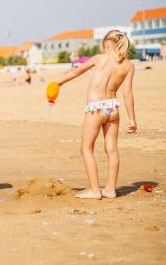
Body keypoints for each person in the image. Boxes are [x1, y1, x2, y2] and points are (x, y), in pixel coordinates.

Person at [55, 30, 136, 200]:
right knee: (112, 149)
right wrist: (132, 119)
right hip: (113, 108)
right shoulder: (128, 65)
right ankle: (110, 189)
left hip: (96, 108)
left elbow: (76, 72)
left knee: (86, 148)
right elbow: (127, 93)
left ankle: (94, 190)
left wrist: (57, 83)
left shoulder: (100, 58)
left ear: (107, 44)